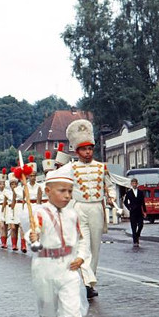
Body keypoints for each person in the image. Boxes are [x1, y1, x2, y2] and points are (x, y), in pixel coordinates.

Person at [24, 166, 91, 317]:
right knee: (49, 315)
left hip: (68, 269)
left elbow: (82, 239)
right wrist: (33, 240)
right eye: (62, 191)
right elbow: (33, 239)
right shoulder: (39, 213)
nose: (67, 195)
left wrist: (81, 256)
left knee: (72, 314)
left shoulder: (73, 214)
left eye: (70, 191)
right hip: (45, 268)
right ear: (48, 191)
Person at [66, 119, 117, 299]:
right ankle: (87, 282)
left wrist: (112, 196)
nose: (88, 152)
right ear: (77, 150)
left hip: (97, 208)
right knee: (84, 246)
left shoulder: (101, 167)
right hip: (79, 208)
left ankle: (89, 281)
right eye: (84, 149)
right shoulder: (70, 168)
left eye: (90, 148)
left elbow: (109, 186)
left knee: (95, 247)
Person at [123, 178, 147, 247]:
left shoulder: (140, 192)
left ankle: (137, 234)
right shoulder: (129, 193)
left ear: (137, 184)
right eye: (133, 183)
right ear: (131, 184)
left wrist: (145, 211)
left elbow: (143, 202)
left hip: (139, 211)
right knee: (133, 227)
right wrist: (129, 207)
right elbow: (125, 202)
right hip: (133, 212)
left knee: (141, 225)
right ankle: (135, 241)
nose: (134, 185)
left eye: (135, 183)